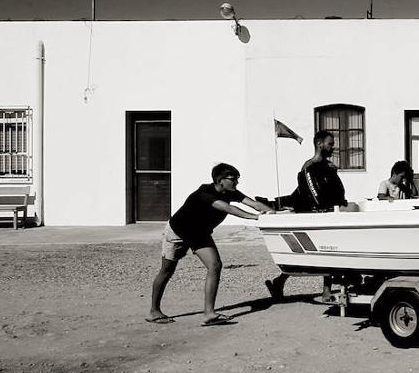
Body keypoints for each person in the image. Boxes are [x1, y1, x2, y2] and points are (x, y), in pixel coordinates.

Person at [148, 162, 274, 326]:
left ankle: (209, 314)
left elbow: (255, 204)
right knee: (166, 270)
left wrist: (274, 214)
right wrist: (254, 217)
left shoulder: (231, 192)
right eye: (233, 179)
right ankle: (154, 311)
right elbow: (227, 208)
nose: (236, 182)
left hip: (199, 233)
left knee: (215, 265)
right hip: (178, 232)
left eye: (237, 179)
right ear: (220, 180)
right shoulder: (205, 193)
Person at [265, 130, 347, 299]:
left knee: (330, 252)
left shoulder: (330, 167)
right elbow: (312, 193)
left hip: (330, 214)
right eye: (330, 144)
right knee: (309, 256)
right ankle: (281, 281)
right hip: (312, 216)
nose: (333, 147)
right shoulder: (308, 166)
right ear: (319, 144)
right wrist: (323, 210)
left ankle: (324, 290)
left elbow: (336, 190)